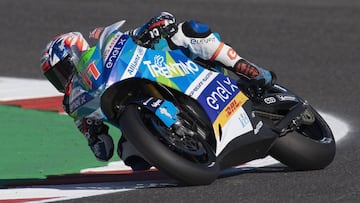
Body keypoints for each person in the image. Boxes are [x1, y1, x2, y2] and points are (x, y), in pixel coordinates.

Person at [40, 12, 275, 171]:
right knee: (130, 155)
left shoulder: (106, 50)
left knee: (188, 31)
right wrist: (93, 136)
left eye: (62, 69)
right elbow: (104, 150)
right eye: (55, 77)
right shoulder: (75, 105)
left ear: (76, 52)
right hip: (133, 108)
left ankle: (247, 68)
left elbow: (148, 28)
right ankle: (180, 147)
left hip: (169, 70)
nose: (62, 78)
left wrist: (154, 27)